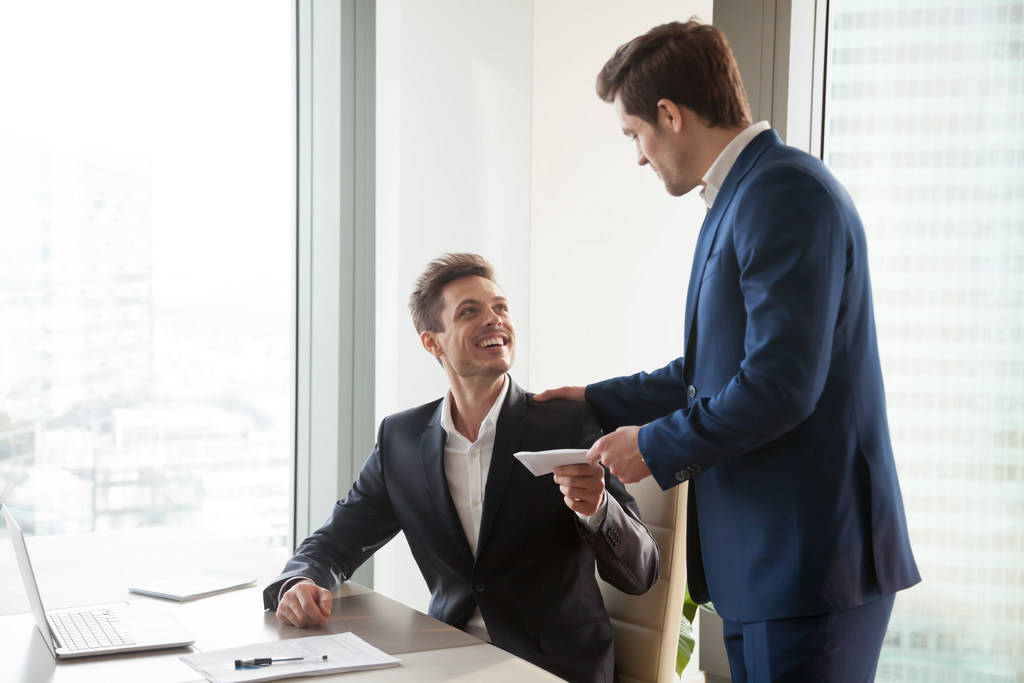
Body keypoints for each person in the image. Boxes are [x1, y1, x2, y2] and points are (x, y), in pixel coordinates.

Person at [537, 20, 920, 682]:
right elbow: (710, 372)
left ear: (670, 114)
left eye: (635, 134)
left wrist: (650, 445)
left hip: (808, 567)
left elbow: (778, 384)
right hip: (768, 568)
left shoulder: (784, 194)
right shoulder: (743, 196)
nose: (638, 155)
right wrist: (597, 397)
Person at [264, 253, 659, 683]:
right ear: (432, 341)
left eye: (500, 307)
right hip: (446, 660)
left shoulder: (569, 422)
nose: (495, 320)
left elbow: (642, 574)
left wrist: (598, 510)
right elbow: (337, 541)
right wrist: (298, 582)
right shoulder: (401, 438)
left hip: (553, 668)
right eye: (470, 311)